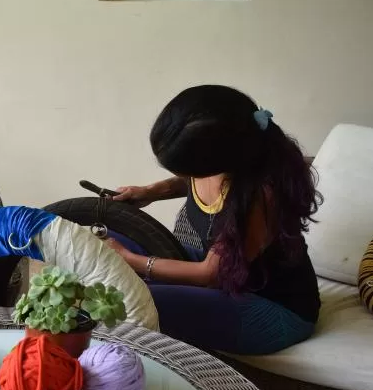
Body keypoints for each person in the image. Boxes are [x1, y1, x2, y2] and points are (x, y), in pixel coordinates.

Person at [106, 85, 322, 355]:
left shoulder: (258, 194)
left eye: (189, 169)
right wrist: (150, 191)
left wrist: (132, 260)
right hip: (232, 276)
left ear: (214, 162)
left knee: (132, 299)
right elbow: (189, 181)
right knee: (112, 240)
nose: (188, 175)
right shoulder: (223, 159)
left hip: (273, 309)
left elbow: (209, 273)